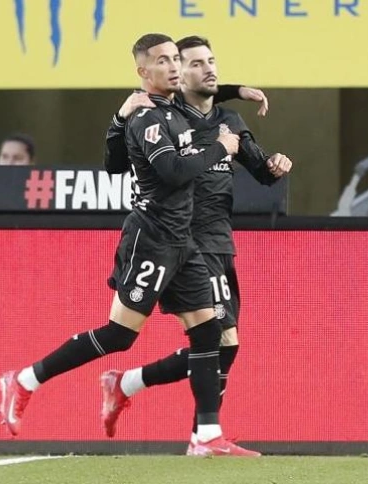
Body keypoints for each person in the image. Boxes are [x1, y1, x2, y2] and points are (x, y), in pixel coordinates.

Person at [0, 33, 256, 457]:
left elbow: (117, 159)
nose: (175, 66)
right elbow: (173, 172)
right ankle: (24, 380)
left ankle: (206, 436)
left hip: (183, 239)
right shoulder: (150, 117)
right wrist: (220, 148)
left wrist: (238, 91)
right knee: (119, 334)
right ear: (143, 72)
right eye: (163, 61)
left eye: (177, 59)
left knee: (211, 332)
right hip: (152, 237)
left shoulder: (169, 108)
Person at [99, 35, 293, 455]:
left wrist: (276, 165)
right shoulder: (169, 114)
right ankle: (203, 436)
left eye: (212, 61)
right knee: (219, 341)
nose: (208, 69)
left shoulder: (231, 123)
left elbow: (261, 172)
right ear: (178, 75)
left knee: (223, 344)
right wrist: (121, 115)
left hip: (221, 240)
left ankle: (134, 387)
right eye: (194, 63)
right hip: (187, 239)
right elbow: (128, 156)